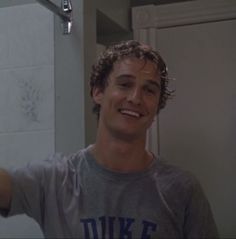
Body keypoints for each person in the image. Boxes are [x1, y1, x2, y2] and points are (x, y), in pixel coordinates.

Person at [0, 40, 218, 238]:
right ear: (98, 92)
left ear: (157, 105)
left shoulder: (182, 189)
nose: (135, 98)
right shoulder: (56, 180)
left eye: (149, 90)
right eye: (124, 84)